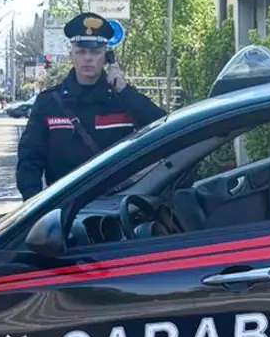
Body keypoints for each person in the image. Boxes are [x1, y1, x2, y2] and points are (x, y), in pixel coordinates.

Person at [15, 11, 167, 199]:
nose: (88, 58)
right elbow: (30, 160)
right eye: (81, 51)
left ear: (106, 56)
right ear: (72, 55)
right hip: (66, 209)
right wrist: (34, 206)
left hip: (117, 209)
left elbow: (163, 128)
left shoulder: (122, 99)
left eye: (95, 52)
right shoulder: (50, 103)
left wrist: (125, 91)